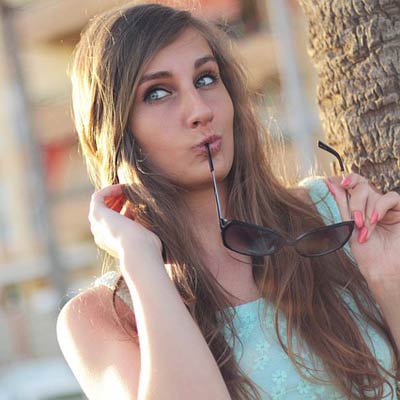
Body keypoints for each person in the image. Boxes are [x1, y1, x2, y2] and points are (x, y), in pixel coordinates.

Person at [56, 2, 400, 399]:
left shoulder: (332, 218)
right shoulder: (101, 318)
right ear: (116, 128)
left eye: (205, 79)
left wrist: (388, 277)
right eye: (158, 93)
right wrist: (140, 258)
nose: (200, 111)